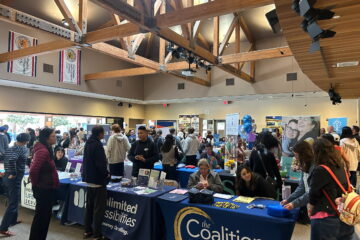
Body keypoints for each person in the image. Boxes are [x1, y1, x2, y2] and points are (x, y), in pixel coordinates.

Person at [308, 138, 354, 240]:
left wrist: (310, 208)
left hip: (325, 218)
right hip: (344, 215)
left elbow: (313, 193)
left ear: (316, 152)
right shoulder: (340, 166)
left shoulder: (321, 169)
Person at [29, 128, 59, 240]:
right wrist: (36, 185)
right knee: (41, 219)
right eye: (53, 136)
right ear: (46, 138)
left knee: (43, 219)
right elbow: (33, 170)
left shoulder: (45, 149)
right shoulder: (43, 151)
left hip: (45, 188)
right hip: (43, 189)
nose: (55, 137)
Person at [82, 125, 110, 240]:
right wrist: (106, 174)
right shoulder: (98, 145)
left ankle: (87, 230)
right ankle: (97, 234)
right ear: (100, 134)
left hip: (89, 179)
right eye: (103, 133)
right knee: (98, 209)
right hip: (98, 181)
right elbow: (101, 163)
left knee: (89, 207)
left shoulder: (88, 143)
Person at [0, 133, 30, 236]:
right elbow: (12, 159)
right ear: (26, 141)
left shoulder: (10, 148)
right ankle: (3, 228)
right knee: (13, 202)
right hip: (13, 178)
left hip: (6, 177)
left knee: (14, 199)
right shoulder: (22, 149)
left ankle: (13, 220)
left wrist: (7, 171)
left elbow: (5, 159)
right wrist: (13, 172)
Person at [281, 141, 314, 210]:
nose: (295, 157)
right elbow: (301, 188)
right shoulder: (304, 165)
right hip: (309, 203)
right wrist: (288, 200)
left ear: (303, 154)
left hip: (316, 204)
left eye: (296, 155)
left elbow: (311, 192)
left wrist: (293, 203)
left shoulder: (314, 168)